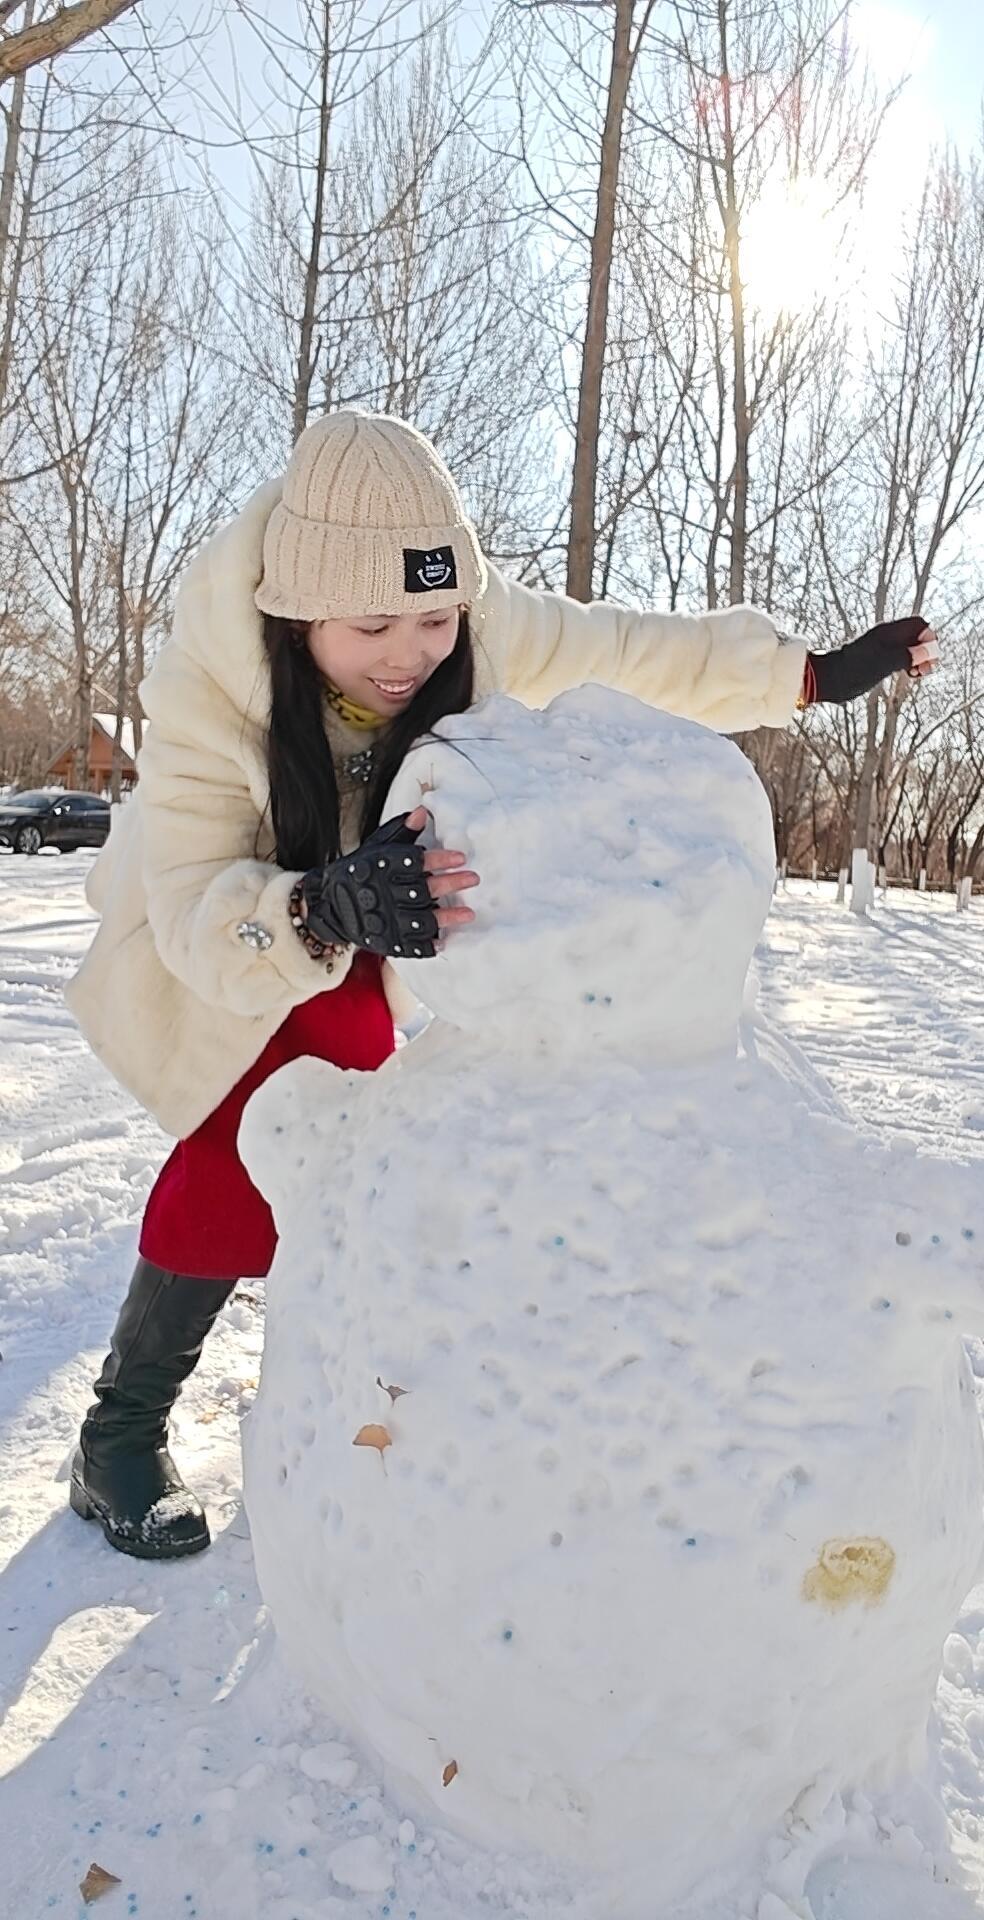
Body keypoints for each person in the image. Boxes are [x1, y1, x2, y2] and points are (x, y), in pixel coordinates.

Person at [65, 410, 939, 1562]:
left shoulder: (474, 632)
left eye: (433, 618)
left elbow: (631, 651)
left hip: (373, 925)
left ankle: (348, 1385)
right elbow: (189, 908)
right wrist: (321, 906)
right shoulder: (210, 688)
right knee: (247, 1139)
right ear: (295, 612)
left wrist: (809, 674)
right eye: (372, 623)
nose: (409, 654)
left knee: (357, 1145)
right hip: (232, 941)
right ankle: (118, 1432)